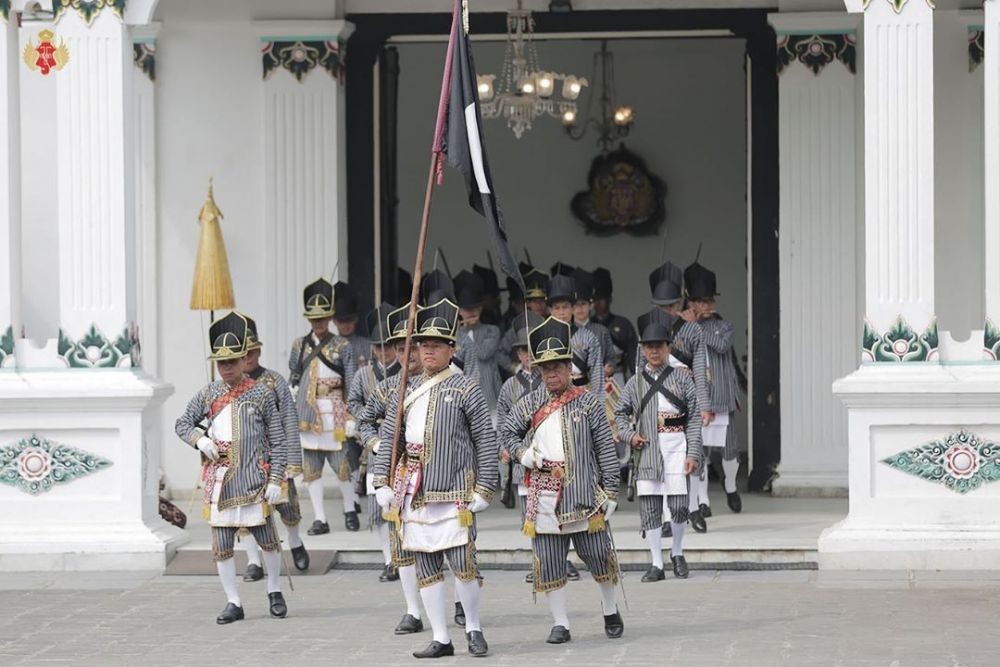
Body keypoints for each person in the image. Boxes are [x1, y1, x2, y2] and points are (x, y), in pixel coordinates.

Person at [372, 298, 499, 659]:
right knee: (425, 567)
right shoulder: (405, 391)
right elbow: (391, 440)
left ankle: (473, 627)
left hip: (455, 490)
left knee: (463, 567)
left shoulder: (467, 389)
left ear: (451, 349)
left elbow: (485, 441)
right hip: (412, 492)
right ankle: (441, 637)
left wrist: (486, 487)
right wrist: (382, 480)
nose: (428, 351)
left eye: (436, 345)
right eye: (423, 345)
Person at [500, 316, 623, 644]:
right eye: (546, 368)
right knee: (549, 560)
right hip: (542, 493)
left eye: (558, 366)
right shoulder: (528, 403)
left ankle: (610, 610)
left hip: (583, 491)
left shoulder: (590, 404)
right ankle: (561, 623)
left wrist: (611, 490)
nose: (552, 373)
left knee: (598, 554)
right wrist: (523, 454)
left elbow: (606, 451)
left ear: (569, 368)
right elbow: (508, 432)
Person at [174, 311, 288, 623]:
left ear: (243, 360)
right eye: (221, 363)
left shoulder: (262, 393)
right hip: (220, 479)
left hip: (253, 478)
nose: (227, 368)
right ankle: (233, 601)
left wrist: (277, 478)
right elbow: (182, 423)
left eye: (232, 362)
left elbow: (277, 440)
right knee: (222, 545)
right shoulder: (208, 394)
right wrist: (199, 439)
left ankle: (274, 590)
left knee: (268, 541)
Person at [615, 309, 702, 581]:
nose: (654, 351)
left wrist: (693, 452)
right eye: (649, 347)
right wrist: (630, 435)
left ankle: (677, 552)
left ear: (668, 347)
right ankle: (656, 563)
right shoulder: (634, 383)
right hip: (648, 450)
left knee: (678, 506)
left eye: (659, 346)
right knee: (650, 508)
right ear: (642, 350)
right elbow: (619, 413)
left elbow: (696, 417)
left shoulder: (683, 379)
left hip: (677, 446)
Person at [357, 303, 428, 635]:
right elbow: (364, 422)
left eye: (414, 346)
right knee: (402, 544)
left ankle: (458, 603)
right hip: (399, 478)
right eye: (401, 347)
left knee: (449, 547)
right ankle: (413, 610)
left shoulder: (450, 384)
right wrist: (377, 445)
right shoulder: (386, 389)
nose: (408, 354)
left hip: (442, 476)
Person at [241, 315, 310, 580]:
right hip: (245, 460)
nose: (247, 357)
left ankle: (294, 542)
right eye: (242, 353)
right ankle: (253, 561)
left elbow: (289, 421)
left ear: (258, 351)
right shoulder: (228, 386)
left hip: (275, 456)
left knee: (288, 508)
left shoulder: (275, 381)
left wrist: (293, 461)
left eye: (251, 352)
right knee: (247, 513)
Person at [288, 278, 359, 535]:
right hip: (308, 410)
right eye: (313, 319)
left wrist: (352, 412)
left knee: (344, 465)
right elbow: (294, 372)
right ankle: (320, 518)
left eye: (322, 319)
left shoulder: (342, 345)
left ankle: (350, 509)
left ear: (329, 318)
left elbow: (352, 379)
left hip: (337, 409)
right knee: (311, 471)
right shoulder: (299, 344)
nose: (318, 324)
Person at [683, 261, 745, 517]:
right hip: (697, 397)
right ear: (691, 302)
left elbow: (720, 345)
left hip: (722, 396)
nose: (706, 306)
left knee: (729, 449)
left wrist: (695, 326)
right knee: (700, 452)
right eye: (701, 301)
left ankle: (730, 485)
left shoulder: (724, 325)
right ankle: (702, 499)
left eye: (709, 301)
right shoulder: (683, 327)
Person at [347, 303, 400, 583]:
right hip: (374, 443)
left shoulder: (409, 372)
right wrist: (365, 417)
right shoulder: (362, 375)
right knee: (380, 507)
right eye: (379, 346)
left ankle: (405, 555)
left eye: (389, 345)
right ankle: (389, 559)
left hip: (403, 442)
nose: (384, 351)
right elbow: (353, 402)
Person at [546, 274, 604, 397]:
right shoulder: (543, 339)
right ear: (550, 310)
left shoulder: (589, 337)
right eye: (557, 308)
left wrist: (596, 408)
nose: (561, 312)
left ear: (572, 308)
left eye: (565, 307)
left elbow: (597, 378)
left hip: (582, 397)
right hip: (551, 401)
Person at [453, 270, 502, 411]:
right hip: (463, 392)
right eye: (466, 309)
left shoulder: (492, 330)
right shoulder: (455, 334)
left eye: (475, 307)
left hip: (490, 394)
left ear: (481, 308)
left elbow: (483, 353)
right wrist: (459, 328)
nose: (471, 312)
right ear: (459, 310)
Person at [591, 267, 638, 382]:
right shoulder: (588, 324)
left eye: (601, 299)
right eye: (595, 299)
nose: (598, 303)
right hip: (593, 378)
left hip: (618, 377)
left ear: (609, 299)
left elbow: (634, 357)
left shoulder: (623, 324)